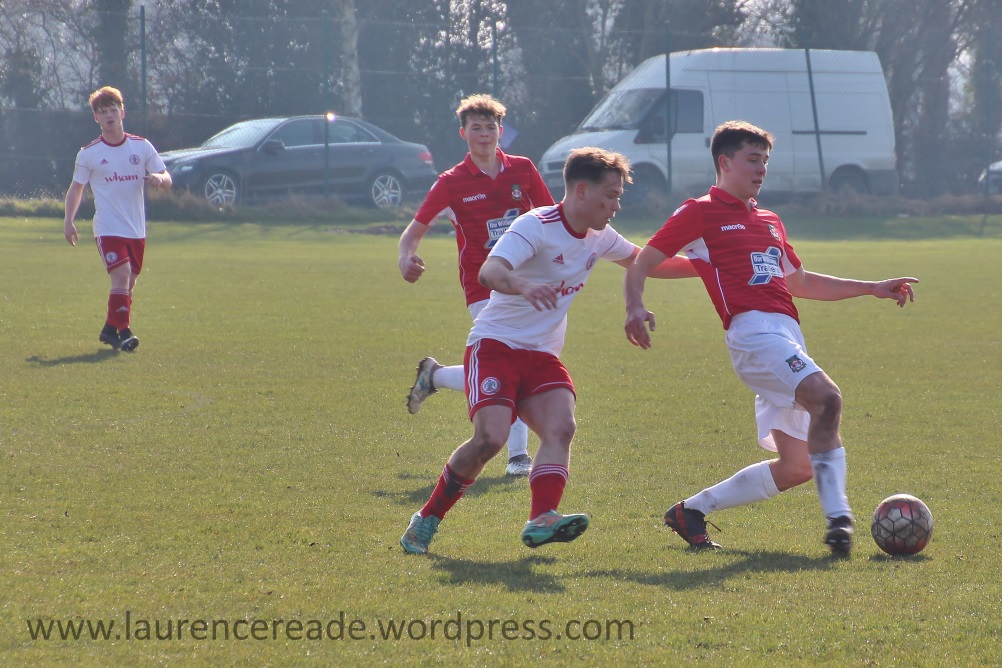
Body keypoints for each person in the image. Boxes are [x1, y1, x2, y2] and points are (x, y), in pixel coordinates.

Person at [623, 120, 918, 555]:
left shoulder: (769, 220)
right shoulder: (699, 212)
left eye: (765, 160)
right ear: (725, 162)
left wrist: (872, 287)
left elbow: (802, 282)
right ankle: (840, 519)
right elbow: (643, 261)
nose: (761, 169)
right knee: (828, 398)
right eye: (752, 160)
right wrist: (634, 306)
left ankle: (691, 511)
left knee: (797, 466)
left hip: (786, 336)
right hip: (752, 334)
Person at [400, 147, 697, 555]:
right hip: (496, 345)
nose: (616, 206)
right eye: (610, 196)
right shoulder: (535, 225)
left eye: (619, 197)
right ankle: (427, 519)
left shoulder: (601, 236)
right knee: (490, 440)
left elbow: (646, 262)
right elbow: (490, 271)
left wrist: (709, 265)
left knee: (562, 429)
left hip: (542, 355)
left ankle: (542, 517)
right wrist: (523, 285)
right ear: (581, 191)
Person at [398, 94, 554, 476]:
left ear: (501, 132)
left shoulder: (523, 170)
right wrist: (405, 257)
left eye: (490, 127)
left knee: (512, 365)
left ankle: (434, 376)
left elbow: (550, 218)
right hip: (482, 286)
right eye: (476, 128)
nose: (484, 134)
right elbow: (414, 230)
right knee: (512, 362)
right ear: (463, 133)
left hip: (526, 282)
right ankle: (518, 457)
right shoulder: (451, 182)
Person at [64, 85, 171, 352]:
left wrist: (160, 179)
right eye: (103, 112)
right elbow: (77, 188)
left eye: (112, 110)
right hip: (108, 228)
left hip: (136, 229)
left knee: (129, 282)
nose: (109, 115)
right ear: (96, 118)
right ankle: (124, 332)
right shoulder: (88, 153)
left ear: (122, 112)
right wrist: (69, 221)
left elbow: (166, 176)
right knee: (121, 275)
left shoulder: (141, 146)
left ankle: (109, 330)